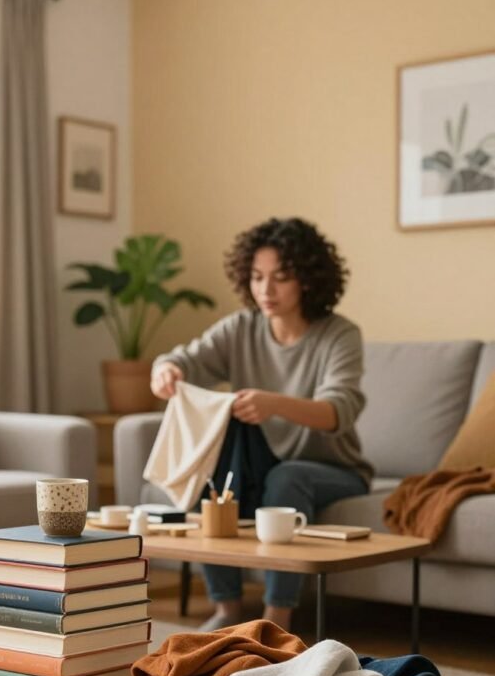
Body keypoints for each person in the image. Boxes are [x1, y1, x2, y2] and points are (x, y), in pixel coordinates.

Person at [150, 216, 372, 632]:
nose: (265, 290)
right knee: (210, 474)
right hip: (255, 464)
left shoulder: (339, 335)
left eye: (280, 277)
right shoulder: (241, 328)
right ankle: (227, 611)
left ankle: (277, 619)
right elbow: (186, 359)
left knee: (286, 479)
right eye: (256, 277)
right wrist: (165, 370)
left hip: (332, 469)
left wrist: (275, 405)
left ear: (307, 279)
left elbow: (338, 411)